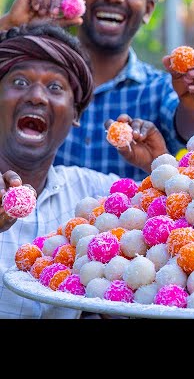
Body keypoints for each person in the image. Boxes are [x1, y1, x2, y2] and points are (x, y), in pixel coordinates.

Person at [0, 23, 168, 319]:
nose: (37, 97)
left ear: (75, 113)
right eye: (19, 83)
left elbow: (180, 220)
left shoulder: (92, 194)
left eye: (55, 87)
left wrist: (161, 167)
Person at [0, 0, 194, 181]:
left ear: (148, 9)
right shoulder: (27, 83)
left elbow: (192, 129)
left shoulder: (160, 88)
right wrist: (8, 25)